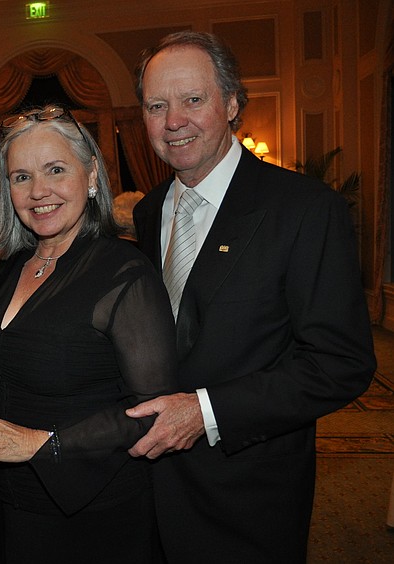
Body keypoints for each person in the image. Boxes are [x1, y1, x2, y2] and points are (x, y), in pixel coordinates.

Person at [128, 31, 375, 562]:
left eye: (193, 100)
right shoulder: (148, 212)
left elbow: (341, 363)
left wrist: (206, 411)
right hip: (149, 490)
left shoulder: (304, 208)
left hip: (246, 495)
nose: (174, 121)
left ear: (232, 103)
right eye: (156, 105)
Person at [0, 105, 177, 563]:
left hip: (88, 513)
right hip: (3, 504)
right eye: (21, 177)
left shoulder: (125, 273)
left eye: (55, 170)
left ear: (91, 177)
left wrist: (38, 442)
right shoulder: (12, 268)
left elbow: (154, 411)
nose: (39, 191)